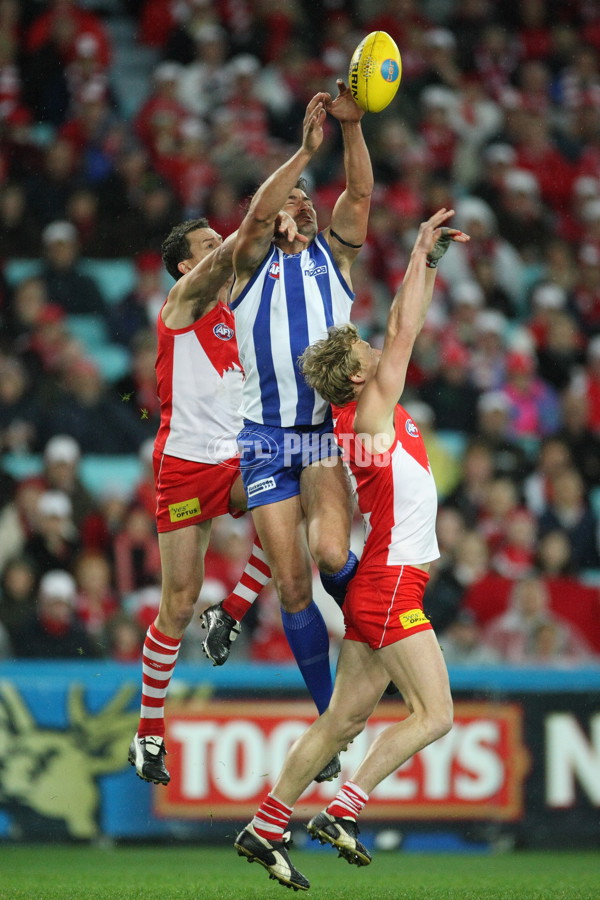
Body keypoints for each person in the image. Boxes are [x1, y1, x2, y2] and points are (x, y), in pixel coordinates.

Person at [233, 209, 468, 890]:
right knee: (437, 714)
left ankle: (265, 824)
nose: (378, 351)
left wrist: (425, 263)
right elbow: (403, 329)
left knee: (341, 720)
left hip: (380, 586)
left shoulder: (353, 414)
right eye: (367, 354)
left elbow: (404, 330)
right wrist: (421, 249)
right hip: (393, 583)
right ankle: (345, 808)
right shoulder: (370, 412)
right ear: (360, 377)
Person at [128, 208, 322, 786]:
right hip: (186, 467)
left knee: (299, 495)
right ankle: (148, 734)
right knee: (177, 604)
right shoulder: (180, 305)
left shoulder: (239, 311)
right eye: (208, 243)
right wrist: (269, 213)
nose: (221, 247)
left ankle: (232, 612)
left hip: (237, 456)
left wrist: (297, 228)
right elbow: (237, 251)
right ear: (187, 264)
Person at [209, 88, 372, 775]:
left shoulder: (334, 258)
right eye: (292, 197)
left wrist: (353, 131)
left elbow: (360, 196)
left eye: (307, 194)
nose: (302, 202)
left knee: (335, 554)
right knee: (295, 588)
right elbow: (251, 217)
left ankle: (387, 639)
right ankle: (331, 721)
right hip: (268, 440)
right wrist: (304, 151)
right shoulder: (244, 264)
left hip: (321, 436)